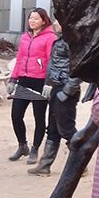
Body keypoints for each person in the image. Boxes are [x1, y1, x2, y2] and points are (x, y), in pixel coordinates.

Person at [28, 20, 80, 176]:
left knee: (67, 130)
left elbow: (79, 68)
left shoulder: (73, 42)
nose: (55, 23)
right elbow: (53, 65)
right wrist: (48, 84)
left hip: (65, 90)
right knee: (52, 129)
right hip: (56, 88)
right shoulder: (60, 40)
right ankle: (44, 166)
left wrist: (68, 91)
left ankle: (80, 164)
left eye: (58, 20)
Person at [7, 8, 57, 163]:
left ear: (44, 20)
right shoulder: (25, 37)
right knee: (16, 115)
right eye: (30, 18)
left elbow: (52, 62)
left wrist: (49, 82)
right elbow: (20, 58)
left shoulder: (50, 38)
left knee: (39, 118)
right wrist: (13, 79)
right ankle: (23, 146)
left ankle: (35, 149)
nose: (32, 21)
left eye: (36, 18)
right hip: (24, 80)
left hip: (40, 82)